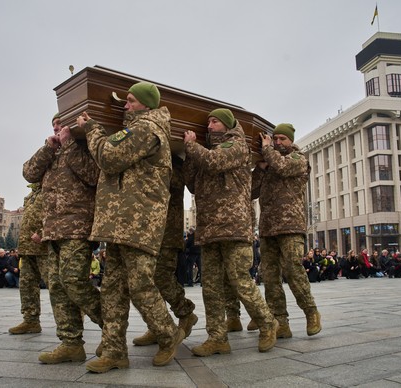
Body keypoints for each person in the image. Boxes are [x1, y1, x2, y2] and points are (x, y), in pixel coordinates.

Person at [78, 81, 184, 372]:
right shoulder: (133, 129)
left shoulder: (146, 128)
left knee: (140, 285)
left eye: (130, 101)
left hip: (138, 222)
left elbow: (109, 158)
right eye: (125, 101)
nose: (125, 106)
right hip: (118, 222)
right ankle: (114, 352)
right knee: (112, 289)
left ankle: (169, 333)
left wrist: (92, 129)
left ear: (146, 105)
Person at [183, 107, 278, 357]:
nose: (210, 125)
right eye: (208, 121)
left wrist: (192, 147)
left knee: (240, 280)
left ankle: (268, 323)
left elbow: (215, 163)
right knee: (211, 287)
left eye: (215, 121)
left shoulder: (236, 145)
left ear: (227, 124)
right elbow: (192, 184)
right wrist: (191, 157)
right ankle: (217, 337)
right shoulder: (205, 151)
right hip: (209, 227)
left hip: (233, 227)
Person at [24, 111, 103, 364]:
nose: (57, 128)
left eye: (61, 123)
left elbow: (93, 175)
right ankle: (71, 343)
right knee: (57, 287)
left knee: (73, 282)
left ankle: (113, 328)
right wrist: (49, 147)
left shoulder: (83, 146)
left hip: (77, 228)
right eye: (53, 125)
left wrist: (69, 143)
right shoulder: (50, 153)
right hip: (53, 231)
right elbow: (29, 173)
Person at [250, 123, 321, 338]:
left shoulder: (298, 159)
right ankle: (281, 321)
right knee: (270, 277)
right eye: (275, 139)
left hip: (290, 226)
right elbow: (252, 192)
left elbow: (282, 167)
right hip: (268, 227)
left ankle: (311, 312)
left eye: (282, 139)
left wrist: (267, 150)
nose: (278, 142)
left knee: (293, 269)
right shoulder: (269, 161)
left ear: (290, 140)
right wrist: (260, 170)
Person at [132, 155, 198, 347]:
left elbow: (173, 182)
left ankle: (186, 313)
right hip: (147, 231)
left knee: (162, 277)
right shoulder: (147, 158)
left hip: (167, 232)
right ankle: (156, 326)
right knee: (148, 280)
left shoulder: (174, 162)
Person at [9, 183, 50, 335]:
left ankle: (72, 320)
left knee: (54, 285)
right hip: (27, 248)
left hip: (43, 247)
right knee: (26, 285)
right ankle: (31, 320)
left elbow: (56, 214)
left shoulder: (51, 188)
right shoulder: (31, 196)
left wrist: (43, 233)